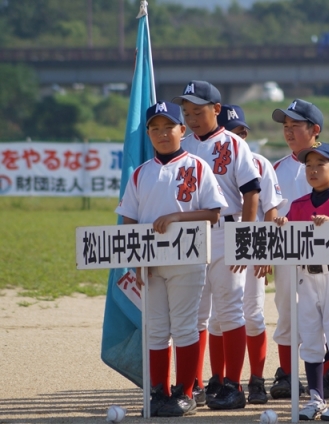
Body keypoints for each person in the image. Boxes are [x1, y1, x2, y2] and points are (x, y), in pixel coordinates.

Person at [116, 101, 227, 417]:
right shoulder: (141, 173)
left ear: (182, 129)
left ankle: (186, 392)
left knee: (184, 326)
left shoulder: (197, 166)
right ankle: (159, 392)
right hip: (151, 264)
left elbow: (213, 213)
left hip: (188, 259)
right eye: (155, 128)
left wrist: (177, 218)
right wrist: (136, 259)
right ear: (148, 133)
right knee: (155, 329)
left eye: (169, 127)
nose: (162, 134)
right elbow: (129, 218)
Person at [172, 81, 261, 410]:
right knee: (195, 313)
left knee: (230, 309)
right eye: (187, 112)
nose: (192, 118)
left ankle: (233, 385)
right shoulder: (182, 145)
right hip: (190, 235)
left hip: (227, 229)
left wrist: (245, 239)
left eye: (198, 111)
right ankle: (192, 385)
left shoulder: (234, 144)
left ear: (217, 109)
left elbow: (251, 192)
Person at [274, 142, 329, 422]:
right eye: (308, 165)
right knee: (310, 338)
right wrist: (283, 227)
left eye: (320, 165)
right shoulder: (298, 205)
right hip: (306, 277)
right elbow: (288, 243)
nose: (312, 170)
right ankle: (316, 398)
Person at [211, 104, 286, 404]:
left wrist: (265, 250)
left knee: (253, 315)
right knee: (216, 318)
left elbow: (271, 210)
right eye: (233, 132)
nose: (239, 137)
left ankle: (256, 380)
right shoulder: (207, 160)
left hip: (252, 239)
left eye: (242, 132)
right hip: (217, 236)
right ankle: (218, 380)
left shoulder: (259, 163)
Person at [270, 98, 322, 399]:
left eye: (296, 125)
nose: (288, 131)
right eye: (285, 126)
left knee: (327, 312)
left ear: (315, 129)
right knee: (287, 310)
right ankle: (288, 373)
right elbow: (268, 212)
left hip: (326, 252)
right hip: (286, 252)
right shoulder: (276, 168)